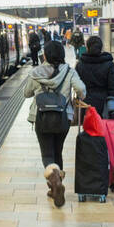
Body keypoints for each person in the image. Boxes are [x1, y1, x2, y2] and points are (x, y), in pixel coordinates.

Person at [24, 39, 86, 208]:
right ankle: (55, 185)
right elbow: (81, 89)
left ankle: (54, 181)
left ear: (45, 55)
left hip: (41, 118)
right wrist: (78, 97)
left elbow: (26, 93)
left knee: (47, 154)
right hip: (63, 118)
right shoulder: (69, 71)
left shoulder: (36, 72)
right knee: (57, 152)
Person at [75, 35, 114, 113]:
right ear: (101, 48)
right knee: (103, 124)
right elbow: (113, 87)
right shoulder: (109, 64)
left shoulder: (80, 64)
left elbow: (78, 86)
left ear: (87, 47)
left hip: (85, 103)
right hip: (105, 104)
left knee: (87, 124)